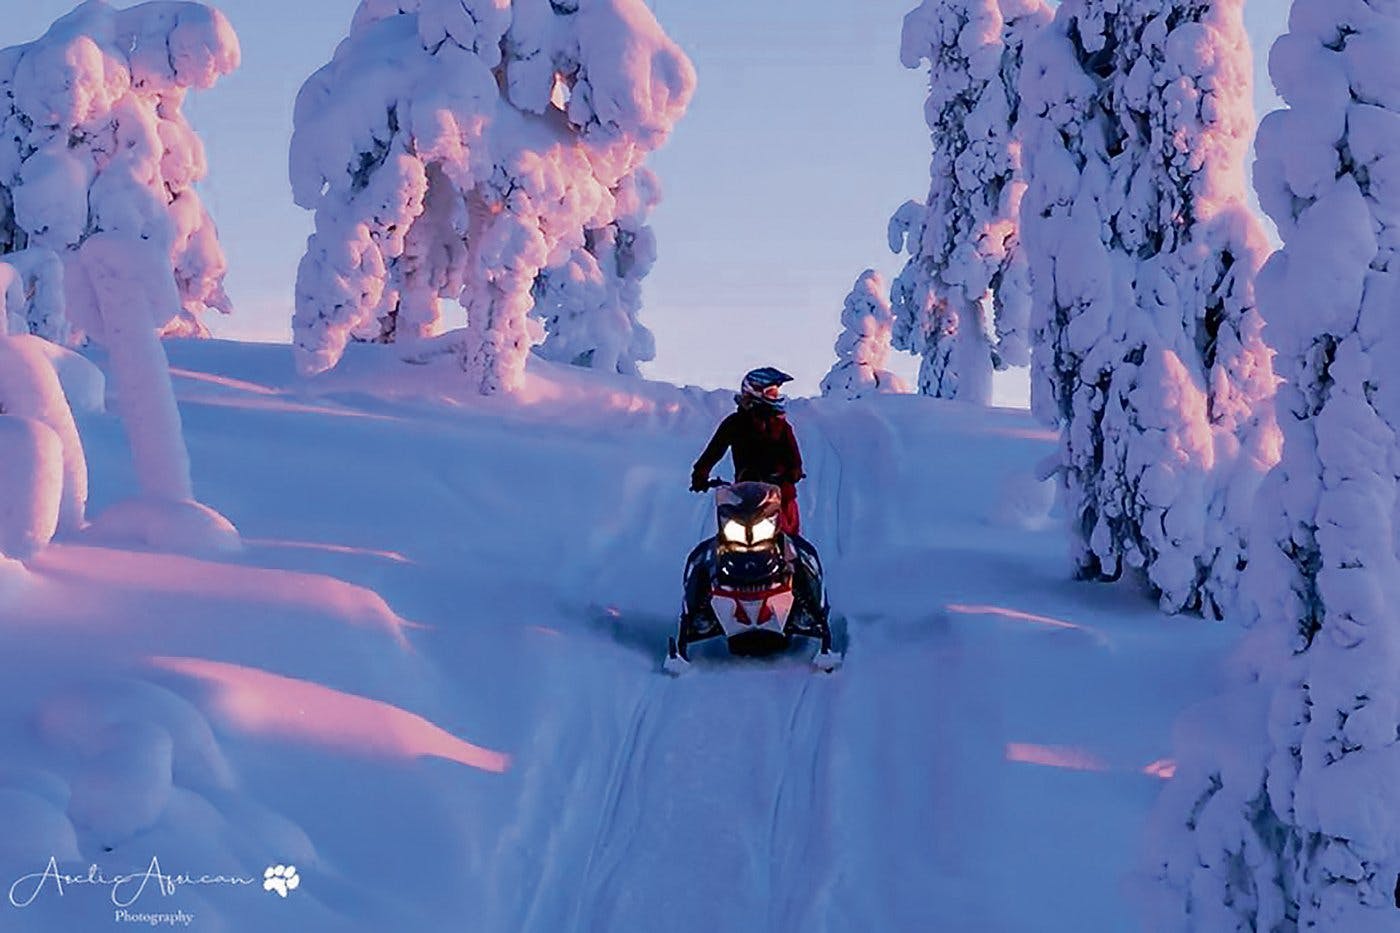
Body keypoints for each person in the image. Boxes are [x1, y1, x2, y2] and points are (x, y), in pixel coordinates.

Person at [689, 367, 804, 534]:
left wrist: (794, 470)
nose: (775, 396)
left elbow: (793, 452)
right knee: (728, 537)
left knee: (789, 538)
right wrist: (700, 475)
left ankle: (796, 551)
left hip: (780, 495)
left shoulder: (780, 425)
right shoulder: (735, 423)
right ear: (755, 392)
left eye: (775, 393)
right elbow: (714, 450)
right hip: (746, 496)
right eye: (771, 392)